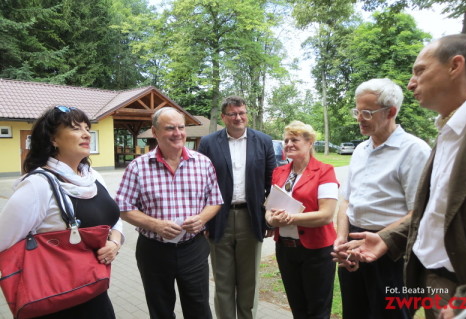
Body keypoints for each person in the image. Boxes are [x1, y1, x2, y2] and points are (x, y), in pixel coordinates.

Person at [339, 34, 466, 319]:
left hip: (444, 282)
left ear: (456, 66)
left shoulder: (417, 148)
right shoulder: (450, 132)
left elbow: (418, 209)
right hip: (410, 266)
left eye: (420, 70)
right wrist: (375, 240)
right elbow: (434, 211)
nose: (411, 82)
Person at [0, 106, 123, 318]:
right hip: (54, 299)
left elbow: (113, 219)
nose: (86, 133)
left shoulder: (92, 177)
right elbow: (4, 242)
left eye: (87, 127)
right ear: (53, 139)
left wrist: (115, 242)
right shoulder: (38, 185)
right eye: (76, 128)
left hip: (94, 291)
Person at [331, 78, 431, 319]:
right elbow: (346, 200)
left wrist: (382, 240)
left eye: (367, 112)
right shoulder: (359, 150)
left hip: (392, 252)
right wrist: (342, 241)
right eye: (357, 110)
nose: (359, 118)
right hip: (353, 246)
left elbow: (419, 212)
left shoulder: (414, 150)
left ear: (391, 112)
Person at [116, 107, 223, 319]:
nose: (177, 133)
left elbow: (215, 201)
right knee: (161, 309)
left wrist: (201, 218)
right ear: (155, 132)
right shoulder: (138, 167)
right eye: (170, 128)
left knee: (199, 309)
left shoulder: (203, 163)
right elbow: (123, 207)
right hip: (154, 250)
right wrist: (155, 225)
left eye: (181, 127)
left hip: (193, 248)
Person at [197, 96, 276, 319]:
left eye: (242, 113)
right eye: (232, 114)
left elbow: (272, 183)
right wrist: (204, 219)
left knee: (249, 281)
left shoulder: (263, 141)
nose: (238, 117)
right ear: (223, 117)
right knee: (223, 281)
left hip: (251, 218)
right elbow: (201, 183)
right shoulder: (209, 143)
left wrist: (269, 219)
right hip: (218, 217)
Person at [265, 120, 339, 319]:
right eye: (286, 140)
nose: (288, 143)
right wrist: (271, 220)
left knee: (317, 310)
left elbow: (326, 215)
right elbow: (269, 209)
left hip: (317, 251)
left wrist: (290, 218)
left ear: (310, 142)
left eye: (294, 139)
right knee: (297, 308)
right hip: (286, 249)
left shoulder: (325, 171)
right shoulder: (279, 172)